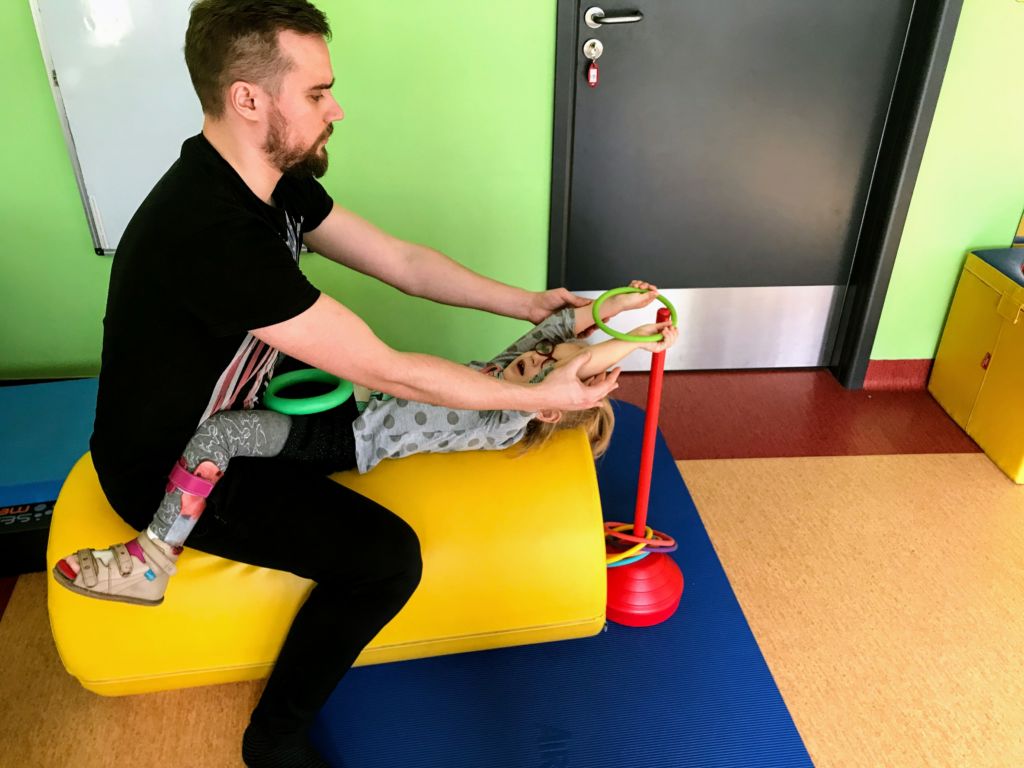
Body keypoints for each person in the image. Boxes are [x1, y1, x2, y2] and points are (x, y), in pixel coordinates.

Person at [79, 1, 629, 766]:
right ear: (248, 99)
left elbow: (402, 262)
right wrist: (540, 399)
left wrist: (532, 305)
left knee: (370, 417)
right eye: (316, 93)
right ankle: (274, 741)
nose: (335, 109)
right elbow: (385, 368)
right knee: (387, 559)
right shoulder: (210, 231)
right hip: (170, 468)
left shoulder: (271, 181)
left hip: (245, 413)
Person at [54, 283, 677, 606]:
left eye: (549, 370)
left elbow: (579, 360)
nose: (538, 358)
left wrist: (637, 345)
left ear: (551, 403)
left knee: (221, 433)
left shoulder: (505, 418)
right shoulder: (503, 373)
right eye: (543, 355)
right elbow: (561, 328)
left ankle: (151, 561)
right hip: (351, 405)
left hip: (345, 439)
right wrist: (622, 307)